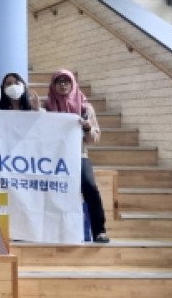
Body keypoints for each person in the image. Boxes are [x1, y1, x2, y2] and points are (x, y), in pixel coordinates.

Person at [43, 70, 109, 243]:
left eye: (66, 81)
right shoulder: (47, 106)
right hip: (54, 158)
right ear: (53, 85)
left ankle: (99, 230)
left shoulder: (85, 108)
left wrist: (87, 128)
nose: (63, 84)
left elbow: (94, 138)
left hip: (79, 155)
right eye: (59, 81)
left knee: (90, 187)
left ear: (72, 84)